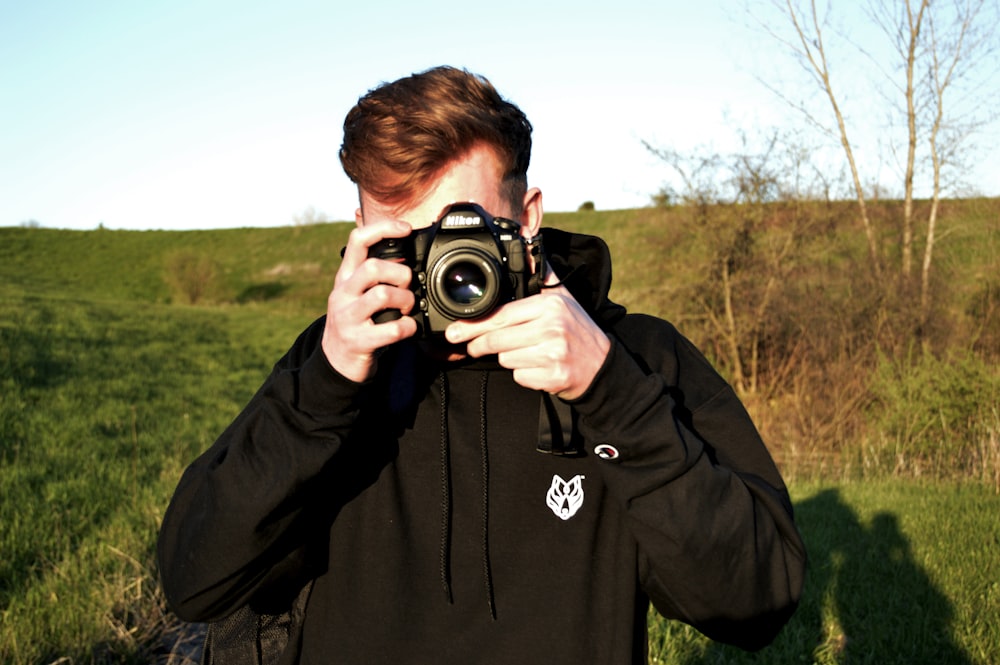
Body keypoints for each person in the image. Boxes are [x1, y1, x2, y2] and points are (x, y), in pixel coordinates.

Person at [158, 65, 806, 664]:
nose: (442, 266)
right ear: (358, 231)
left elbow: (756, 603)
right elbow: (195, 583)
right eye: (403, 240)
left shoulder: (633, 358)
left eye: (460, 229)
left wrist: (611, 393)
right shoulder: (331, 370)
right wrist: (324, 388)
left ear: (526, 220)